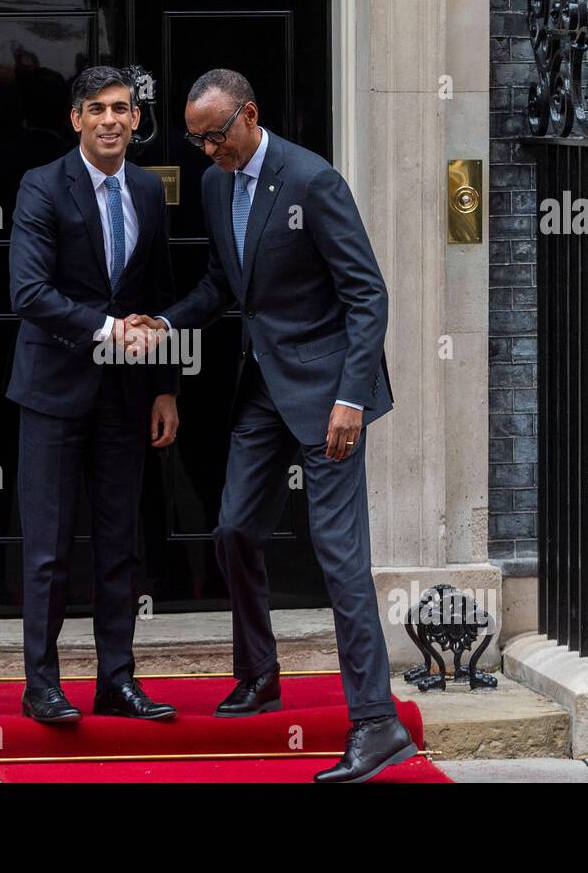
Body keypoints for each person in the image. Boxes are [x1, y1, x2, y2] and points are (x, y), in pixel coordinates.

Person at [129, 68, 414, 781]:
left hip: (329, 396)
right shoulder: (217, 184)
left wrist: (352, 397)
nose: (205, 151)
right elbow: (225, 287)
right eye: (196, 140)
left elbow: (367, 295)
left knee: (339, 555)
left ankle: (376, 723)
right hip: (261, 385)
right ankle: (259, 672)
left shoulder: (313, 181)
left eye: (215, 136)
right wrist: (165, 321)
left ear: (249, 115)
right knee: (232, 529)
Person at [6, 65, 178, 723]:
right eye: (97, 108)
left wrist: (165, 388)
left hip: (127, 398)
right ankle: (41, 684)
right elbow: (28, 292)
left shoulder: (147, 189)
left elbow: (157, 291)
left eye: (122, 108)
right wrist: (108, 329)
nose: (111, 119)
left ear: (136, 119)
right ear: (76, 118)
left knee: (119, 543)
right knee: (47, 548)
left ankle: (116, 680)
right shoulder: (42, 186)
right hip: (52, 390)